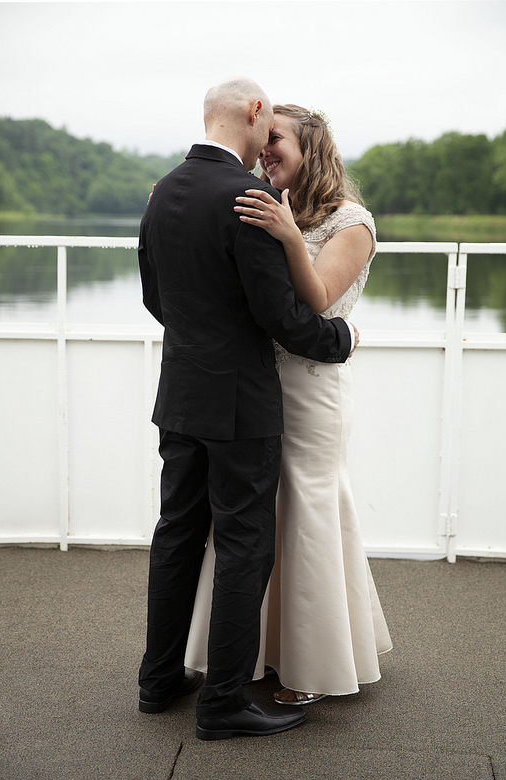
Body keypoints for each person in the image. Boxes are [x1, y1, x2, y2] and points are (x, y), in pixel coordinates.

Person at [137, 80, 357, 741]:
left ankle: (157, 683)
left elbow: (157, 300)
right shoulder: (247, 198)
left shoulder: (165, 190)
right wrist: (339, 339)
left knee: (176, 536)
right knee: (242, 546)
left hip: (179, 396)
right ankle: (223, 703)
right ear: (255, 114)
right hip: (239, 405)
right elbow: (282, 318)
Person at [185, 104, 392, 706]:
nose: (264, 147)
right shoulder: (257, 203)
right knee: (255, 520)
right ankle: (252, 655)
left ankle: (311, 664)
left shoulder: (350, 222)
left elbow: (319, 300)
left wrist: (283, 234)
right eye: (262, 136)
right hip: (256, 387)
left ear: (312, 149)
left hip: (310, 391)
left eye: (276, 139)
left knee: (307, 514)